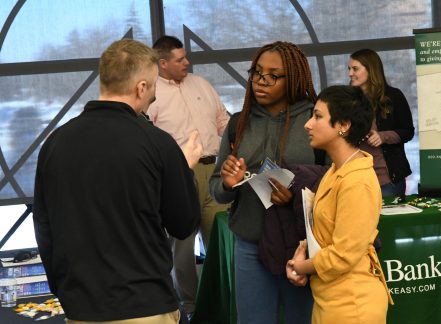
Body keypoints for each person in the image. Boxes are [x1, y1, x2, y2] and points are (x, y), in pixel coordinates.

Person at [33, 39, 202, 324]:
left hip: (82, 307)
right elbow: (183, 224)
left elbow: (44, 226)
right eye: (153, 87)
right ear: (141, 88)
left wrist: (64, 291)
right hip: (146, 306)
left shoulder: (55, 144)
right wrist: (182, 168)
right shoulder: (157, 143)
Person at [210, 41, 325, 324]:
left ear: (295, 79)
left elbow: (335, 183)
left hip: (302, 247)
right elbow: (217, 192)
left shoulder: (316, 120)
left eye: (273, 76)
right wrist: (227, 183)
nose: (261, 82)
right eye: (256, 73)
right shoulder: (239, 123)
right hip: (250, 245)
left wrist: (295, 195)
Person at [287, 85, 394, 324]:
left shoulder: (357, 181)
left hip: (352, 305)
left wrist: (301, 267)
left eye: (317, 116)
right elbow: (325, 233)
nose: (308, 124)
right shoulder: (337, 171)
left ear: (343, 126)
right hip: (330, 300)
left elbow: (343, 255)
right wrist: (301, 254)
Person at [146, 35, 230, 318]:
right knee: (181, 244)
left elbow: (224, 123)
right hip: (176, 174)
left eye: (186, 57)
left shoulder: (201, 84)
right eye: (180, 59)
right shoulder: (151, 93)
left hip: (213, 170)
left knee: (220, 234)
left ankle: (223, 301)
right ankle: (192, 308)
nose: (187, 63)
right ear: (163, 63)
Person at [348, 48, 414, 199]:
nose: (350, 73)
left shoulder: (394, 96)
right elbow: (338, 132)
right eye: (349, 69)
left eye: (355, 69)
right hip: (356, 180)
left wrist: (382, 136)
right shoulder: (346, 100)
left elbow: (408, 131)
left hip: (388, 180)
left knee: (388, 222)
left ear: (370, 69)